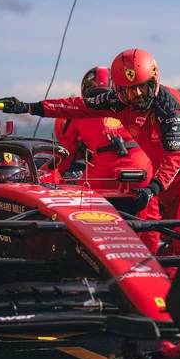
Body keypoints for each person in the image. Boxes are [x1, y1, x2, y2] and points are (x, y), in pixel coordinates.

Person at [0, 49, 180, 250]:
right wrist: (27, 107)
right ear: (117, 89)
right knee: (166, 231)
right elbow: (75, 106)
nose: (136, 94)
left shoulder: (170, 108)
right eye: (128, 89)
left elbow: (175, 156)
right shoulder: (116, 103)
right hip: (159, 174)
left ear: (153, 82)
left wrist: (152, 189)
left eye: (141, 87)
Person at [54, 66, 159, 253]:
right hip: (141, 165)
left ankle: (81, 252)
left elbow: (65, 152)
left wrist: (55, 176)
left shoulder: (80, 109)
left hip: (102, 170)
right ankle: (151, 261)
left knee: (74, 203)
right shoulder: (136, 105)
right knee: (151, 213)